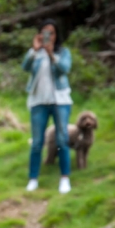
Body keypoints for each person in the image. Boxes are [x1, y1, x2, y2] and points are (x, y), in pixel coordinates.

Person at [22, 19, 73, 194]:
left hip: (60, 101)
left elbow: (64, 69)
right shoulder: (35, 53)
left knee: (62, 140)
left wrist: (52, 55)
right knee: (37, 142)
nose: (48, 36)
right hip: (38, 102)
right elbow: (25, 67)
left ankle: (64, 178)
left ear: (56, 35)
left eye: (51, 32)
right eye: (44, 32)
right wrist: (34, 50)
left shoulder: (63, 52)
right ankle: (33, 178)